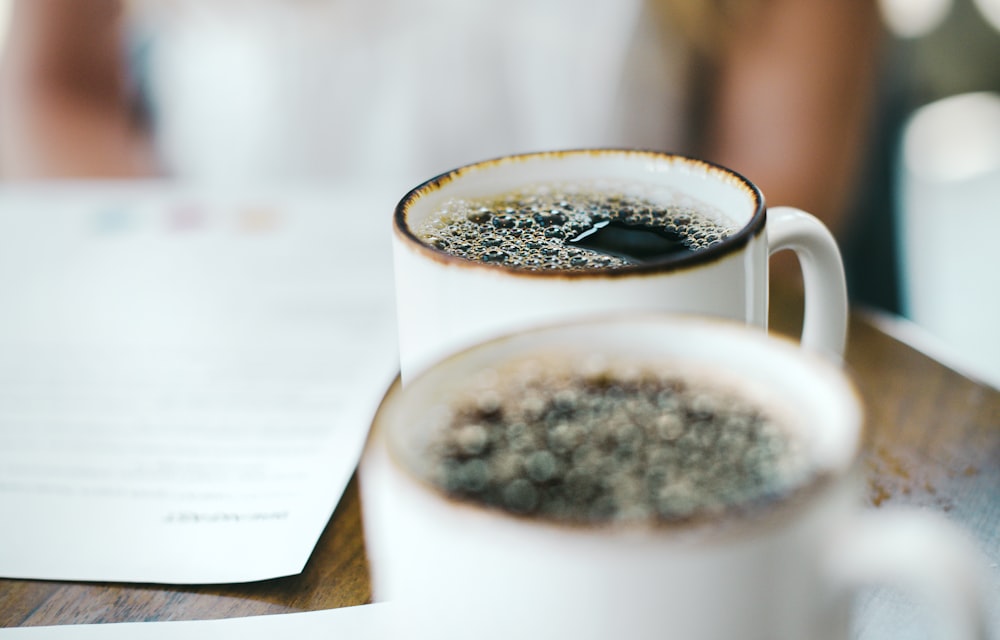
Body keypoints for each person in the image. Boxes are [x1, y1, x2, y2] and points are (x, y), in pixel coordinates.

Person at [0, 0, 884, 282]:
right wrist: (185, 275)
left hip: (596, 344)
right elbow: (44, 90)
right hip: (224, 365)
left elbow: (782, 181)